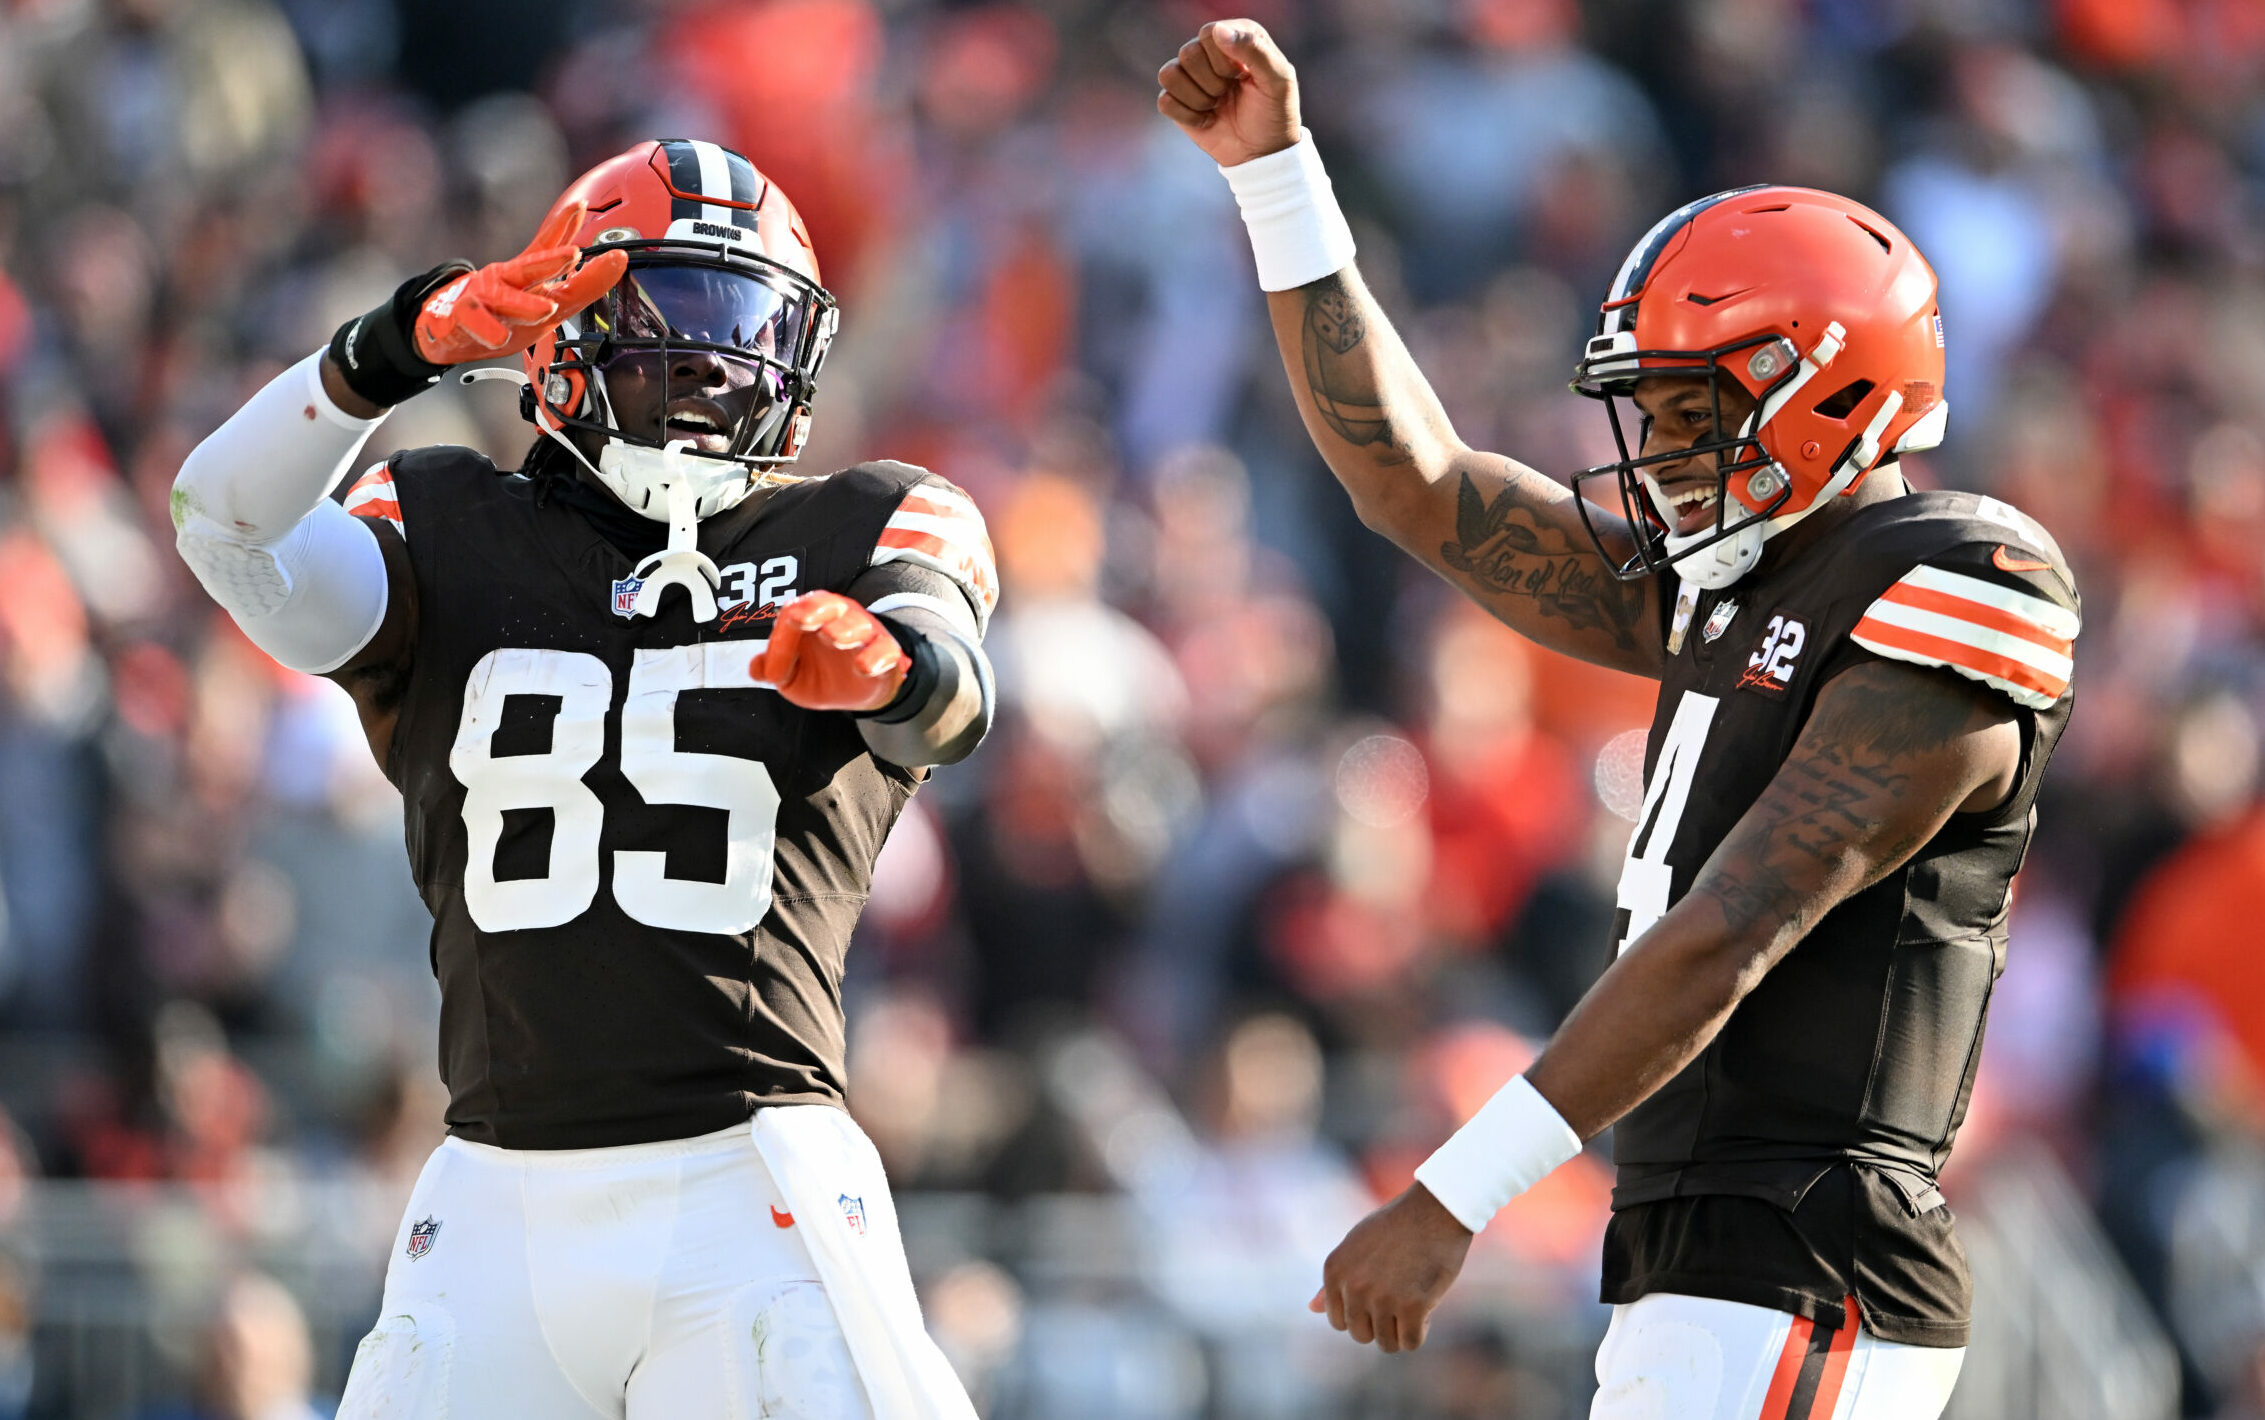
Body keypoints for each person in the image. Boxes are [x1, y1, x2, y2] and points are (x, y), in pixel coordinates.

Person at [1160, 23, 2080, 1420]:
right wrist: (1277, 177)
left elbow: (1731, 928)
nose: (1655, 453)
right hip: (1702, 1264)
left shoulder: (1957, 574)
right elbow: (1416, 483)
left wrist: (1448, 1198)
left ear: (1830, 388)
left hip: (1807, 1264)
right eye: (1643, 412)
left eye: (1692, 411)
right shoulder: (1732, 591)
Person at [171, 139, 995, 1420]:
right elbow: (222, 524)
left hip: (752, 1178)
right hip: (499, 1190)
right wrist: (393, 349)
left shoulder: (865, 522)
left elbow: (956, 697)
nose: (721, 363)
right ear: (568, 327)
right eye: (681, 318)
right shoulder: (452, 523)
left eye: (750, 323)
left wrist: (894, 672)